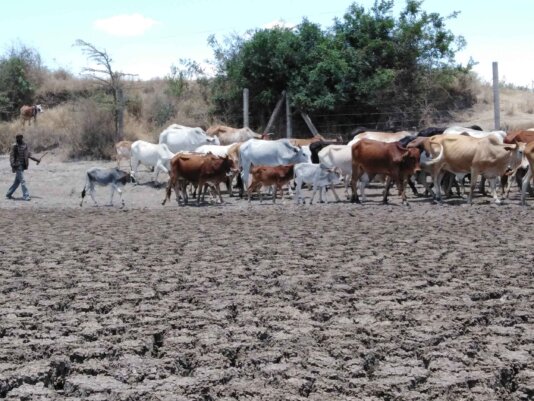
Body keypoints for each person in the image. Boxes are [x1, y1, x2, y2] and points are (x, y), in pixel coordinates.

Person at [6, 134, 41, 201]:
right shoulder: (14, 146)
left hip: (23, 165)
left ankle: (8, 194)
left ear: (22, 138)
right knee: (23, 180)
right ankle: (26, 196)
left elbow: (29, 155)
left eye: (19, 137)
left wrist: (37, 159)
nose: (18, 139)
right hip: (17, 165)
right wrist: (13, 166)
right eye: (17, 137)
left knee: (17, 182)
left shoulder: (25, 145)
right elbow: (12, 157)